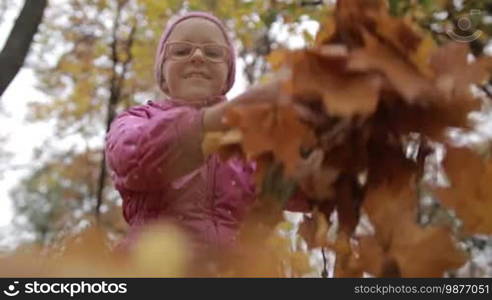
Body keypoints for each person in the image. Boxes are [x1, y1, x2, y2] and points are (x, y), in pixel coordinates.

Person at [105, 11, 309, 269]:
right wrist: (215, 121)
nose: (198, 57)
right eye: (181, 51)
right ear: (163, 74)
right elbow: (133, 158)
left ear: (228, 75)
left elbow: (305, 191)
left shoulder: (253, 138)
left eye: (213, 53)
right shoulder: (137, 119)